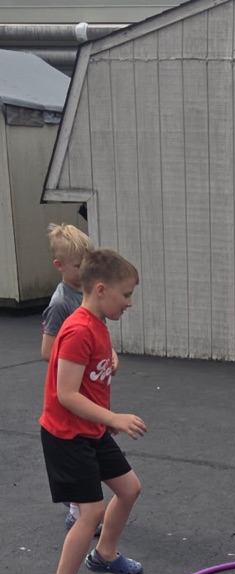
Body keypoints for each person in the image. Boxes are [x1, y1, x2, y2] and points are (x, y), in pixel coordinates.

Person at [40, 249, 147, 574]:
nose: (130, 303)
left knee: (129, 488)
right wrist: (112, 417)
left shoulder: (98, 323)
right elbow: (65, 393)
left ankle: (104, 554)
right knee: (90, 512)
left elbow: (91, 376)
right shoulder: (78, 330)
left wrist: (109, 364)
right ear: (101, 290)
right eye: (127, 294)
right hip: (67, 435)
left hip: (90, 428)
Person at [42, 223, 118, 531]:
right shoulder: (62, 304)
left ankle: (84, 508)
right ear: (60, 266)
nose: (85, 269)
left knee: (94, 447)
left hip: (91, 390)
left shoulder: (91, 295)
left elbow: (100, 338)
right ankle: (78, 509)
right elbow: (49, 350)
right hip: (72, 393)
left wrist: (109, 355)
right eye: (78, 265)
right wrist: (79, 361)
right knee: (75, 451)